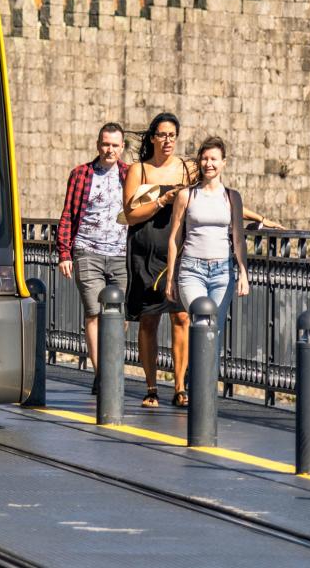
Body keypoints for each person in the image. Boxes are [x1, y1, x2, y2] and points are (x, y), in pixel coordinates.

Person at [121, 112, 197, 408]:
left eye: (172, 136)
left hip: (177, 252)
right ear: (152, 137)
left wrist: (256, 219)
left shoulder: (187, 170)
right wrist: (161, 201)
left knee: (181, 316)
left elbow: (215, 196)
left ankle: (179, 387)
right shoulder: (139, 170)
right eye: (162, 135)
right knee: (149, 320)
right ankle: (151, 387)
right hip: (145, 252)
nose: (167, 141)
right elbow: (129, 214)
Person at [56, 123, 131, 387]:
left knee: (118, 315)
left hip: (122, 254)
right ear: (98, 144)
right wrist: (64, 252)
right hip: (87, 251)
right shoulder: (81, 174)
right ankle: (102, 375)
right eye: (105, 144)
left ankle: (112, 366)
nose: (109, 149)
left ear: (122, 147)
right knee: (94, 312)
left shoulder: (130, 175)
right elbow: (68, 214)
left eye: (114, 145)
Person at [163, 137, 252, 359]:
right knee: (200, 326)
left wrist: (243, 273)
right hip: (192, 271)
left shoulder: (233, 197)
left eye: (214, 159)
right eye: (204, 158)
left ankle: (206, 390)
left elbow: (238, 239)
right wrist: (170, 279)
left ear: (224, 162)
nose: (208, 163)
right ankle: (196, 387)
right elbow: (174, 238)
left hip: (222, 272)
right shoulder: (186, 195)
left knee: (214, 333)